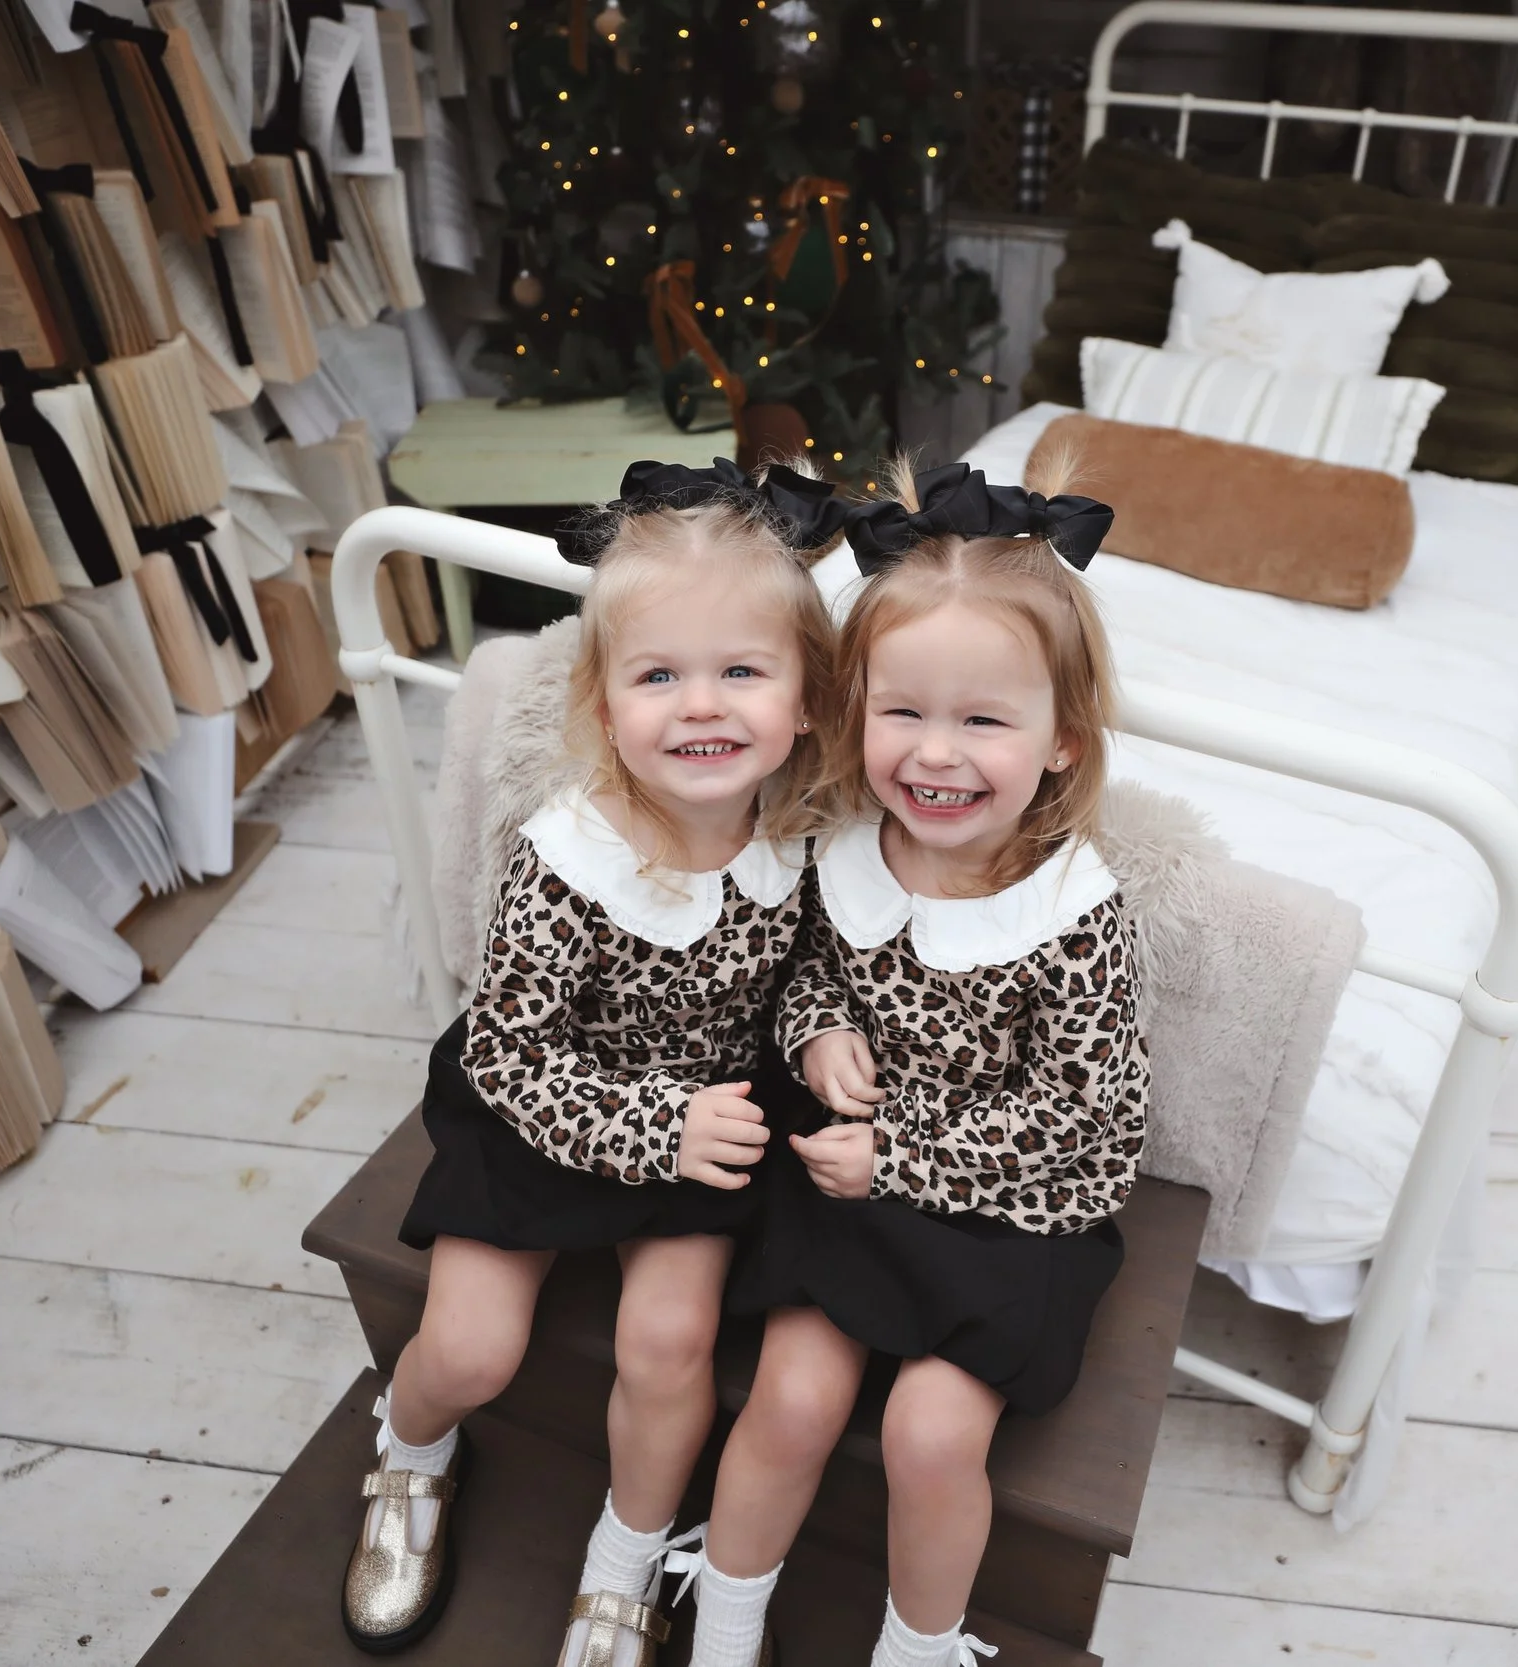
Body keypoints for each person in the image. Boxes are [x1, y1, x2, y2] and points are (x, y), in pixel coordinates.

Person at [343, 459, 844, 1663]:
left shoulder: (799, 833)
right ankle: (408, 1453)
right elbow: (509, 1048)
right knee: (471, 1347)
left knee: (667, 1341)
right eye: (658, 675)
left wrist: (820, 1026)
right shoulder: (567, 854)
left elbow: (815, 963)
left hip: (710, 1115)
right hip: (546, 1104)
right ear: (605, 701)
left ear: (808, 698)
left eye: (741, 671)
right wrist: (647, 1126)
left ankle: (621, 1561)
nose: (700, 706)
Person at [680, 450, 1149, 1667]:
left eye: (984, 720)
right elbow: (814, 976)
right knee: (790, 1398)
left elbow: (1089, 1114)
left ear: (1059, 742)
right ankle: (724, 1623)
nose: (935, 756)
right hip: (849, 1171)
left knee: (931, 1436)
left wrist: (903, 1154)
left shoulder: (1076, 911)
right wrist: (819, 1033)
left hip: (1007, 1200)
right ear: (852, 715)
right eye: (903, 712)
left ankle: (918, 1644)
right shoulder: (851, 848)